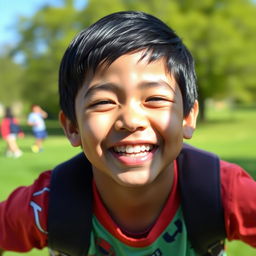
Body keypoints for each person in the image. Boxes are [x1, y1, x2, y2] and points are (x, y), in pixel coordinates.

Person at [0, 11, 256, 256]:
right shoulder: (48, 204)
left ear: (188, 117)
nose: (131, 121)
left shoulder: (222, 192)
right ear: (72, 127)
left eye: (155, 98)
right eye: (103, 102)